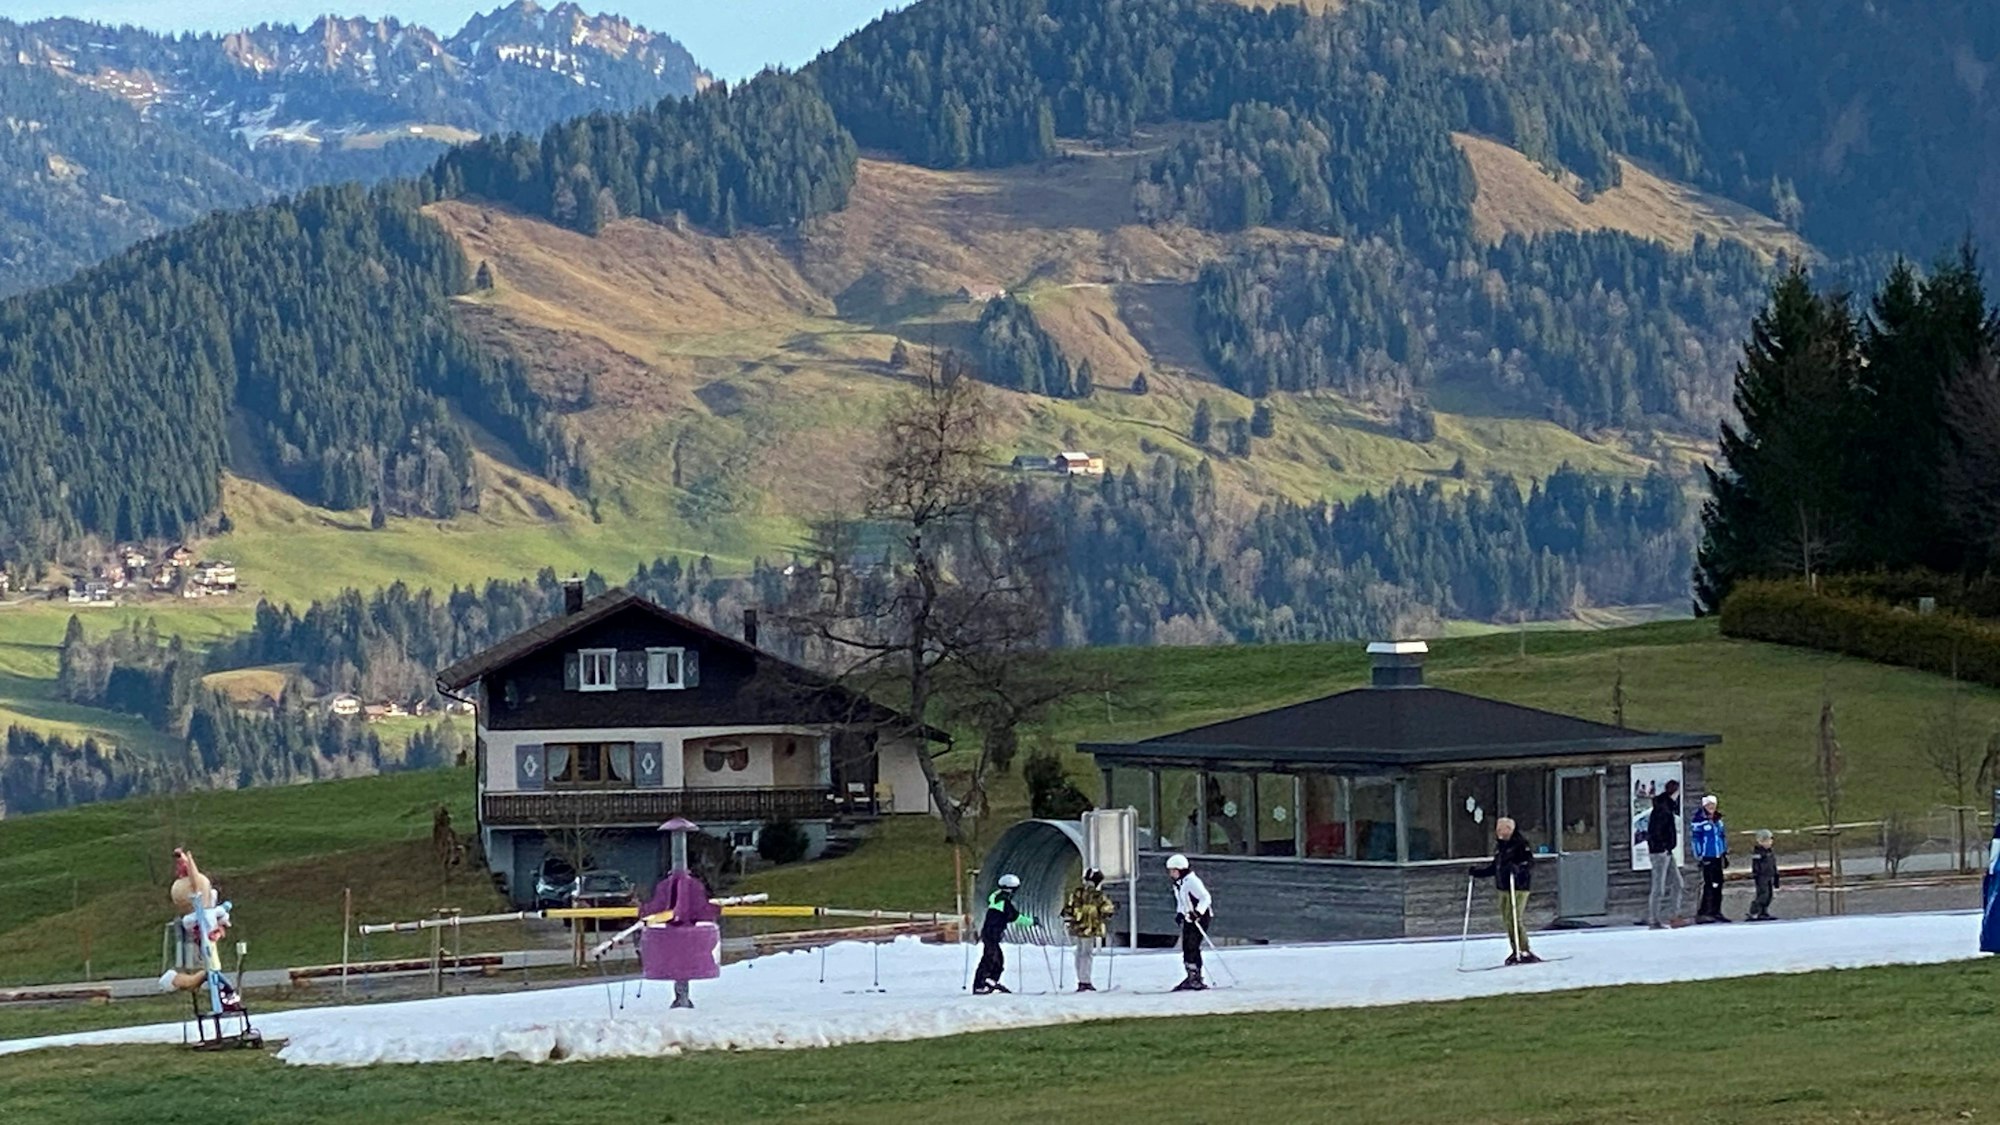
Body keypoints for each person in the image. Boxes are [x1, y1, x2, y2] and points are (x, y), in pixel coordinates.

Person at [1469, 817, 1541, 965]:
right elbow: (1495, 867)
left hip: (1519, 887)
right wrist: (1478, 873)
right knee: (1507, 921)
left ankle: (1525, 949)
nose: (1497, 831)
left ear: (1509, 829)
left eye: (1500, 828)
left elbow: (1529, 862)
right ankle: (1515, 950)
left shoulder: (1520, 844)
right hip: (1503, 887)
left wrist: (1517, 868)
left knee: (1515, 918)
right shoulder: (1500, 846)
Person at [973, 873, 1032, 994]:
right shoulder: (1003, 902)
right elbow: (1016, 917)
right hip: (992, 934)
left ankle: (990, 981)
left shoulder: (996, 897)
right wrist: (1032, 922)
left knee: (998, 960)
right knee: (989, 959)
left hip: (990, 933)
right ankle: (979, 985)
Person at [1060, 868, 1116, 992]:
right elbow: (1107, 909)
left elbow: (1069, 907)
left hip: (1077, 926)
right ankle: (1086, 980)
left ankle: (1081, 979)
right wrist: (1111, 910)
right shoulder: (1098, 895)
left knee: (1079, 952)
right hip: (1090, 927)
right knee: (1086, 954)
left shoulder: (1078, 893)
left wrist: (1067, 914)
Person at [1165, 854, 1212, 991]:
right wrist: (1180, 913)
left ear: (1181, 870)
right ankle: (1190, 974)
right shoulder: (1178, 884)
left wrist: (1198, 912)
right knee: (1186, 945)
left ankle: (1196, 977)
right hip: (1188, 917)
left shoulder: (1192, 881)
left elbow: (1205, 898)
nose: (1171, 874)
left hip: (1200, 917)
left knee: (1193, 945)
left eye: (1173, 871)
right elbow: (1182, 901)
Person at [1646, 779, 1687, 929]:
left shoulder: (1666, 807)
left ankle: (1674, 915)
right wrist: (1662, 847)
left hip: (1667, 852)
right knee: (1659, 887)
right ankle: (1654, 919)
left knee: (1678, 883)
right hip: (1660, 853)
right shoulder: (1662, 809)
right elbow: (1655, 832)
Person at [1691, 793, 1730, 923]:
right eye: (1709, 805)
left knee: (1718, 883)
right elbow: (1696, 839)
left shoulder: (1718, 820)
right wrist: (1700, 855)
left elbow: (1722, 837)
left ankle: (1716, 910)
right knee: (1709, 884)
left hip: (1718, 855)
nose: (1711, 807)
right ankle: (1705, 910)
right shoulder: (1699, 821)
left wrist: (1724, 852)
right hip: (1708, 856)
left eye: (1713, 805)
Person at [1748, 829, 1780, 921]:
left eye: (1769, 841)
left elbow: (1773, 864)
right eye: (1765, 841)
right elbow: (1756, 865)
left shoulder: (1770, 852)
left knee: (1769, 895)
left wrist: (1776, 875)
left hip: (1769, 875)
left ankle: (1763, 912)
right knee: (1763, 895)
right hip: (1762, 877)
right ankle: (1754, 911)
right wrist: (1756, 874)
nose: (1768, 843)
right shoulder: (1758, 853)